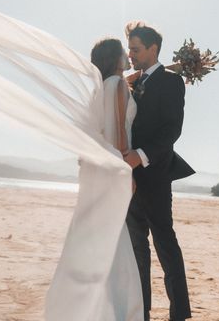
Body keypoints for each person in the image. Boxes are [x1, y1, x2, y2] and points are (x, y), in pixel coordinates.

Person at [122, 21, 195, 321]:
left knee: (165, 245)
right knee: (137, 247)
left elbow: (171, 131)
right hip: (128, 180)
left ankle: (179, 314)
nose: (131, 55)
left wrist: (139, 157)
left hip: (154, 176)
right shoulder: (132, 81)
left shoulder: (172, 81)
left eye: (136, 49)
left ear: (154, 49)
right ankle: (143, 312)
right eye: (129, 50)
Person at [89, 37, 144, 321]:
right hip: (116, 167)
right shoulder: (119, 85)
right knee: (116, 237)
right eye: (124, 52)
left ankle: (100, 304)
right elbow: (121, 130)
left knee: (102, 235)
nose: (128, 55)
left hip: (97, 171)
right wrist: (129, 170)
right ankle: (116, 309)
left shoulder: (99, 88)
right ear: (115, 58)